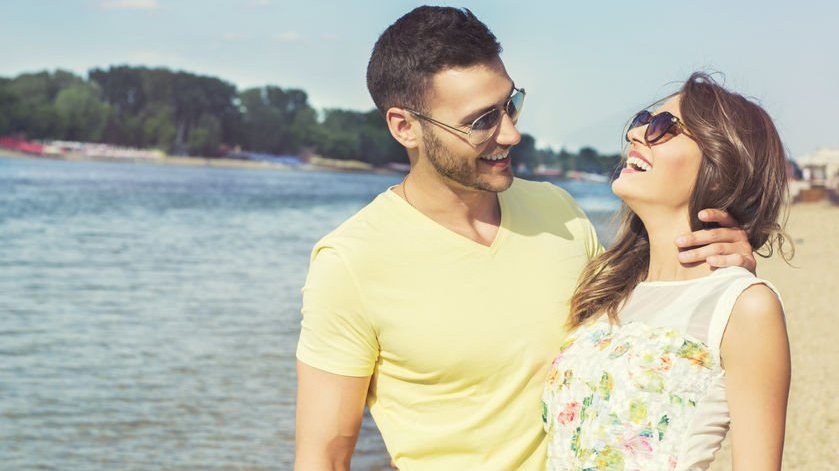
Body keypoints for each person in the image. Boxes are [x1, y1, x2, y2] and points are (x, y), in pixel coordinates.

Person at [295, 7, 755, 470]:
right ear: (404, 127)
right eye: (481, 122)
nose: (511, 133)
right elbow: (323, 456)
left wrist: (717, 267)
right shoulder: (351, 262)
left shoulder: (558, 211)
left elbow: (645, 334)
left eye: (509, 104)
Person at [542, 73, 791, 470]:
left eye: (663, 127)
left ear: (720, 166)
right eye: (643, 119)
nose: (637, 133)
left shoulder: (745, 305)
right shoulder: (611, 289)